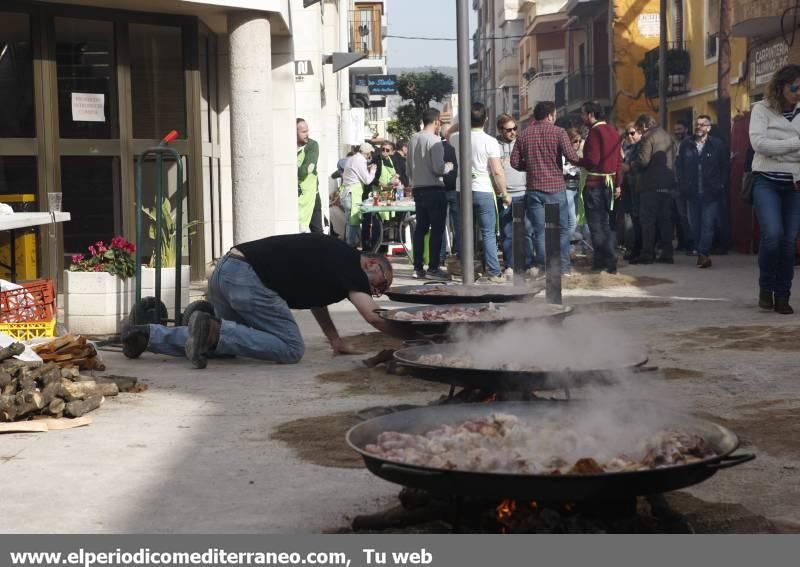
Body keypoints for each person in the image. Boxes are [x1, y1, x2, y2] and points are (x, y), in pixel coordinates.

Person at [121, 233, 401, 368]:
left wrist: (335, 340)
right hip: (247, 278)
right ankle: (214, 327)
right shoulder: (351, 265)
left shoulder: (338, 262)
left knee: (221, 343)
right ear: (371, 264)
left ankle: (148, 336)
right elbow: (374, 316)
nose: (378, 290)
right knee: (291, 348)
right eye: (382, 282)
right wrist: (408, 340)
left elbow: (318, 300)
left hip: (225, 270)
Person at [749, 64, 800, 314]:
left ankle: (782, 296)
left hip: (795, 185)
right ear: (781, 86)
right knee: (772, 236)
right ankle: (765, 287)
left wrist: (777, 146)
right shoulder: (761, 109)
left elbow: (769, 146)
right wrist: (795, 144)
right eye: (794, 87)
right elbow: (758, 143)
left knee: (789, 242)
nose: (798, 92)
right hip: (766, 181)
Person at [511, 101, 581, 276]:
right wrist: (588, 162)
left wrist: (528, 167)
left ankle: (545, 267)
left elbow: (514, 162)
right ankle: (563, 268)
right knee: (562, 230)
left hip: (534, 189)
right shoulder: (559, 132)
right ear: (550, 115)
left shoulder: (524, 134)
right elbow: (572, 156)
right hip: (556, 188)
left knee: (540, 231)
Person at [451, 102, 509, 283]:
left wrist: (461, 123)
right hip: (483, 189)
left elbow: (446, 133)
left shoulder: (456, 137)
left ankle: (466, 270)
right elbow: (497, 171)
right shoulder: (490, 141)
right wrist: (505, 193)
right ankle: (493, 272)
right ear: (486, 119)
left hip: (462, 190)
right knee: (488, 233)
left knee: (465, 231)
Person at [575, 101, 624, 274]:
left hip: (595, 185)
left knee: (597, 225)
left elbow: (592, 161)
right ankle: (604, 261)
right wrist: (618, 184)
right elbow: (619, 161)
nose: (581, 117)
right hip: (610, 184)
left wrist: (576, 160)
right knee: (608, 225)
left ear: (590, 114)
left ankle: (605, 261)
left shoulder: (595, 133)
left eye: (583, 114)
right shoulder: (613, 131)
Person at [675, 114, 728, 269]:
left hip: (711, 192)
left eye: (703, 125)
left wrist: (721, 184)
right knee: (695, 225)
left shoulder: (717, 145)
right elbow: (679, 165)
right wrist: (682, 182)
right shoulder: (686, 143)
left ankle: (703, 253)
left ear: (709, 128)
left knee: (707, 224)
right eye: (697, 124)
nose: (699, 127)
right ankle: (700, 252)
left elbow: (724, 167)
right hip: (691, 192)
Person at [407, 108, 453, 280]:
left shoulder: (413, 138)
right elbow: (438, 168)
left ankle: (418, 267)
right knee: (437, 229)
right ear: (436, 121)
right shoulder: (435, 140)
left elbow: (407, 168)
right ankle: (433, 267)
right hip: (434, 189)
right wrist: (449, 166)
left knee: (420, 228)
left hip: (418, 189)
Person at [631, 113, 677, 264]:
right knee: (665, 220)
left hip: (650, 184)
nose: (640, 131)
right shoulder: (668, 136)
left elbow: (643, 161)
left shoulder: (647, 137)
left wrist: (630, 166)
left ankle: (647, 253)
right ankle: (667, 253)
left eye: (639, 128)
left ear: (644, 125)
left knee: (648, 221)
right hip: (667, 184)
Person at [497, 113, 533, 276]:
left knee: (526, 231)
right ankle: (510, 265)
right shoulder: (495, 145)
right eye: (508, 130)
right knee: (508, 233)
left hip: (523, 191)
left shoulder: (522, 143)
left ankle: (528, 264)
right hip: (505, 194)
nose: (513, 132)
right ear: (500, 130)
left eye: (515, 128)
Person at [340, 143, 377, 247]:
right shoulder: (360, 161)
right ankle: (350, 247)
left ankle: (349, 246)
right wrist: (373, 171)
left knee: (349, 222)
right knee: (353, 221)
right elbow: (367, 180)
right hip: (353, 193)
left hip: (348, 192)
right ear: (368, 153)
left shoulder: (352, 158)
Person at [296, 119, 323, 233]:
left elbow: (304, 172)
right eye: (303, 131)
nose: (307, 134)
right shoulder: (287, 146)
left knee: (317, 233)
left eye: (307, 131)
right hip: (295, 197)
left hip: (312, 196)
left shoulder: (312, 145)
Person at [620, 122, 642, 261]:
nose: (629, 136)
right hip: (626, 185)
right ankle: (630, 248)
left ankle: (638, 248)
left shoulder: (642, 146)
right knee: (629, 217)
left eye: (632, 133)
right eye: (627, 133)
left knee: (637, 218)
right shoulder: (626, 146)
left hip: (638, 186)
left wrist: (628, 166)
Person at [440, 136, 460, 265]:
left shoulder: (437, 147)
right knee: (458, 224)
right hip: (455, 189)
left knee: (440, 225)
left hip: (441, 188)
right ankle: (459, 252)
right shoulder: (457, 147)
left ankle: (441, 255)